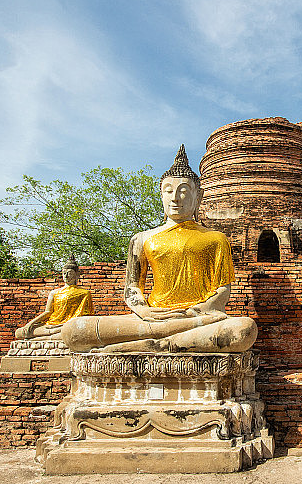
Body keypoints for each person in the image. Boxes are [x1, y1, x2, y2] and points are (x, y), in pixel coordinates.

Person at [61, 145, 257, 353]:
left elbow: (222, 291)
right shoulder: (142, 238)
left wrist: (194, 313)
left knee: (243, 329)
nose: (175, 198)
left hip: (199, 318)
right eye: (169, 191)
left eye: (183, 191)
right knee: (74, 330)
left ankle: (158, 344)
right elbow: (132, 287)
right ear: (161, 196)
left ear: (198, 197)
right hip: (152, 318)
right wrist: (144, 311)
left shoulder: (216, 239)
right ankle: (171, 341)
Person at [15, 255, 93, 340]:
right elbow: (48, 312)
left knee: (73, 331)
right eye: (64, 273)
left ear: (77, 275)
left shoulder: (84, 293)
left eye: (69, 273)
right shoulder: (54, 292)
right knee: (20, 333)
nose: (66, 276)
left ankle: (45, 338)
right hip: (51, 325)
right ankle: (53, 336)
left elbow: (86, 317)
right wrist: (30, 324)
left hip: (69, 326)